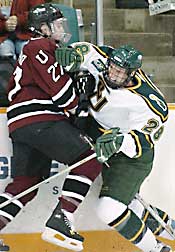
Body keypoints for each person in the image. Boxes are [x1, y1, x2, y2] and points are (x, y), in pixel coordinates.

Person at [42, 42, 173, 252]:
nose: (113, 74)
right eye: (112, 67)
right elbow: (81, 50)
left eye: (120, 72)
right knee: (130, 206)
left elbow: (145, 141)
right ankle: (170, 228)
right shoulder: (103, 57)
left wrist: (119, 141)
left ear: (132, 74)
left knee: (109, 209)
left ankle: (157, 249)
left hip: (129, 157)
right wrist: (72, 55)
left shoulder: (148, 102)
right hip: (98, 134)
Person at [0, 5, 103, 252]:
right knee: (90, 156)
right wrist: (80, 89)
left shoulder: (36, 50)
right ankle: (61, 219)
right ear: (43, 28)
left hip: (23, 124)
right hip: (40, 119)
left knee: (26, 184)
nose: (61, 29)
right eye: (56, 25)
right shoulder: (40, 46)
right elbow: (65, 98)